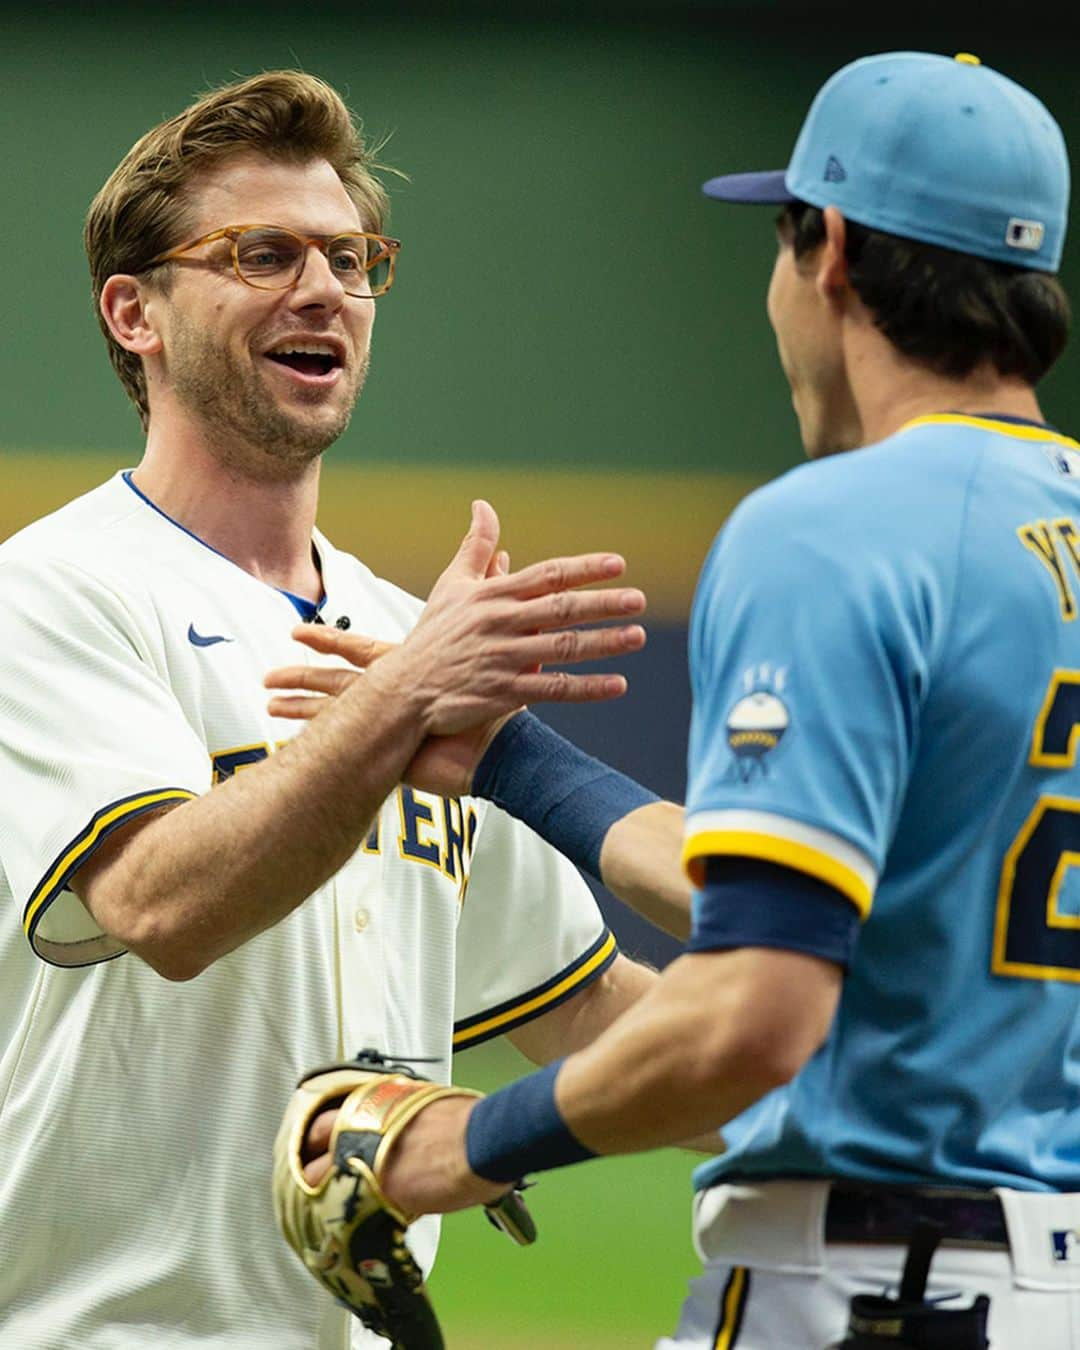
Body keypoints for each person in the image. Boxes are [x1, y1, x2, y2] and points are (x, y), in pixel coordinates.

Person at [287, 50, 1080, 1348]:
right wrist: (512, 761)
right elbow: (830, 911)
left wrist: (450, 1148)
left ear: (826, 250)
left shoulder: (836, 528)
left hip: (873, 1292)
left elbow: (757, 1011)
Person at [0, 70, 689, 1349]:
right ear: (132, 312)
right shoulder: (56, 592)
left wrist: (853, 1077)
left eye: (351, 257)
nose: (323, 288)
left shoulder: (397, 631)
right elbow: (163, 905)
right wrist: (407, 699)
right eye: (261, 252)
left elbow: (585, 1013)